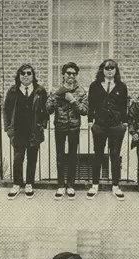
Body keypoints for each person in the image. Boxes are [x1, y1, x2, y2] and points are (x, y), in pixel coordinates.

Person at [3, 63, 48, 199]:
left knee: (32, 158)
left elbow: (45, 111)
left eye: (29, 73)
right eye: (23, 73)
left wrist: (42, 126)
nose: (26, 76)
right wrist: (8, 129)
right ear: (19, 76)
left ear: (33, 76)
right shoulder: (12, 91)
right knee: (18, 158)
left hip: (34, 130)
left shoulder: (40, 91)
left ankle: (29, 183)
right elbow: (6, 111)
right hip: (18, 131)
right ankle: (17, 184)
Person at [87, 59, 128, 200]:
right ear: (102, 70)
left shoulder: (122, 86)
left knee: (115, 156)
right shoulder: (95, 86)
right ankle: (95, 185)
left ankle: (116, 186)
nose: (109, 70)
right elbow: (90, 104)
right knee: (98, 154)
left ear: (116, 70)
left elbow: (124, 106)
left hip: (116, 126)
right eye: (106, 68)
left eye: (112, 68)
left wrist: (125, 123)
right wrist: (90, 122)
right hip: (99, 126)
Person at [46, 62, 88, 199]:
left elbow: (84, 111)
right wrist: (57, 95)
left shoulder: (81, 91)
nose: (71, 75)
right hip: (60, 126)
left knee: (72, 156)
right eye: (68, 73)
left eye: (74, 73)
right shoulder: (55, 90)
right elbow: (48, 109)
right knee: (59, 156)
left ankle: (70, 185)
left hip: (74, 128)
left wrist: (73, 100)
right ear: (63, 74)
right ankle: (60, 185)